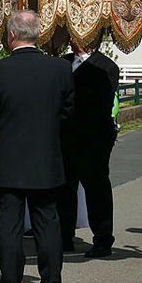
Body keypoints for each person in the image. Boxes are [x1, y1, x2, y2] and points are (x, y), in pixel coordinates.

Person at [0, 9, 74, 283]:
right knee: (48, 225)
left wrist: (5, 132)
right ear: (37, 35)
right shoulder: (59, 69)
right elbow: (68, 113)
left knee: (10, 227)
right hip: (46, 159)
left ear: (11, 35)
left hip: (9, 159)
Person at [59, 35, 120, 258]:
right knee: (64, 188)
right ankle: (64, 236)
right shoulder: (63, 63)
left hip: (94, 137)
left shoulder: (106, 66)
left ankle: (103, 240)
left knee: (96, 189)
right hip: (65, 136)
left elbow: (100, 101)